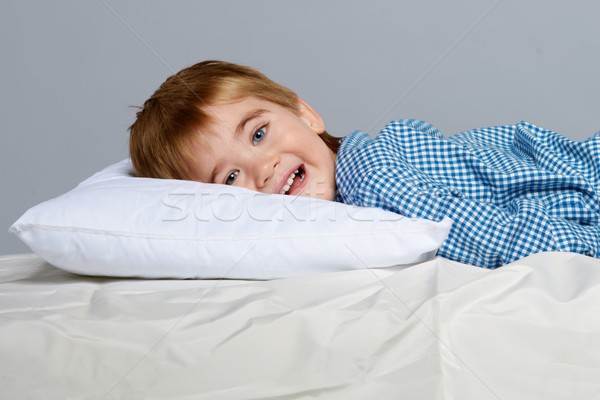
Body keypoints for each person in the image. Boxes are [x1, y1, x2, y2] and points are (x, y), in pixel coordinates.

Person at [129, 60, 600, 268]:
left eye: (258, 133)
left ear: (306, 114)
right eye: (230, 178)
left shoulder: (370, 179)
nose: (264, 168)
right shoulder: (343, 218)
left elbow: (500, 238)